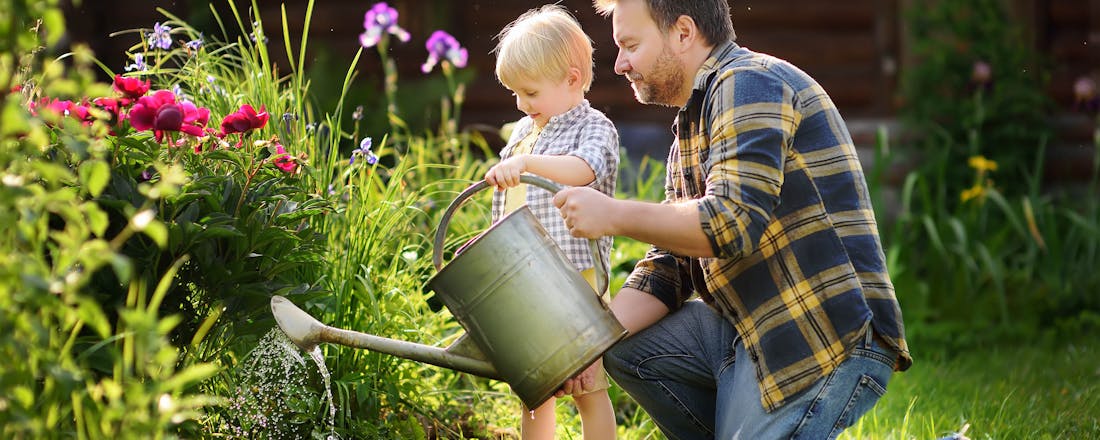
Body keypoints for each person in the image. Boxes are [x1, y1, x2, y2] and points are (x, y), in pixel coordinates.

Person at [551, 0, 913, 438]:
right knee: (624, 347)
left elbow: (731, 221)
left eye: (630, 45)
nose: (620, 64)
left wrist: (614, 214)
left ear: (683, 33)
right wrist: (587, 345)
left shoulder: (750, 82)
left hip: (819, 332)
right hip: (748, 331)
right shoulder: (692, 126)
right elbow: (670, 266)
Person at [484, 5, 621, 440]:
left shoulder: (594, 128)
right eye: (515, 94)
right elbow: (507, 204)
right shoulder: (523, 133)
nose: (522, 104)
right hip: (525, 278)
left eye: (530, 92)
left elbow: (584, 169)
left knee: (587, 388)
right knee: (534, 388)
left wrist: (526, 164)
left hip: (574, 280)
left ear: (572, 79)